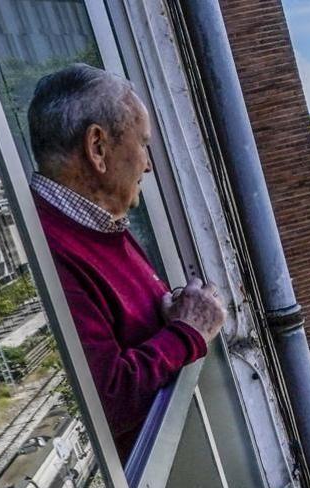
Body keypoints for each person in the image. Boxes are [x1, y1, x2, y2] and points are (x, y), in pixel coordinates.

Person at [26, 63, 225, 460]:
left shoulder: (98, 221)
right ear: (98, 148)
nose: (148, 164)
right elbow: (107, 401)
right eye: (143, 144)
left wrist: (168, 319)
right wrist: (187, 332)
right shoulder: (49, 248)